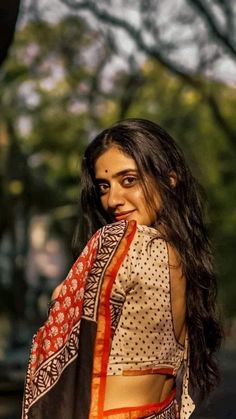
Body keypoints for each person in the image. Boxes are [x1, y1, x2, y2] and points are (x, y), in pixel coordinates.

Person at [22, 118, 222, 419]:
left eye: (128, 180)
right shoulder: (185, 257)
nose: (113, 200)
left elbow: (63, 349)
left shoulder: (121, 240)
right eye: (104, 186)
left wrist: (60, 298)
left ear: (169, 179)